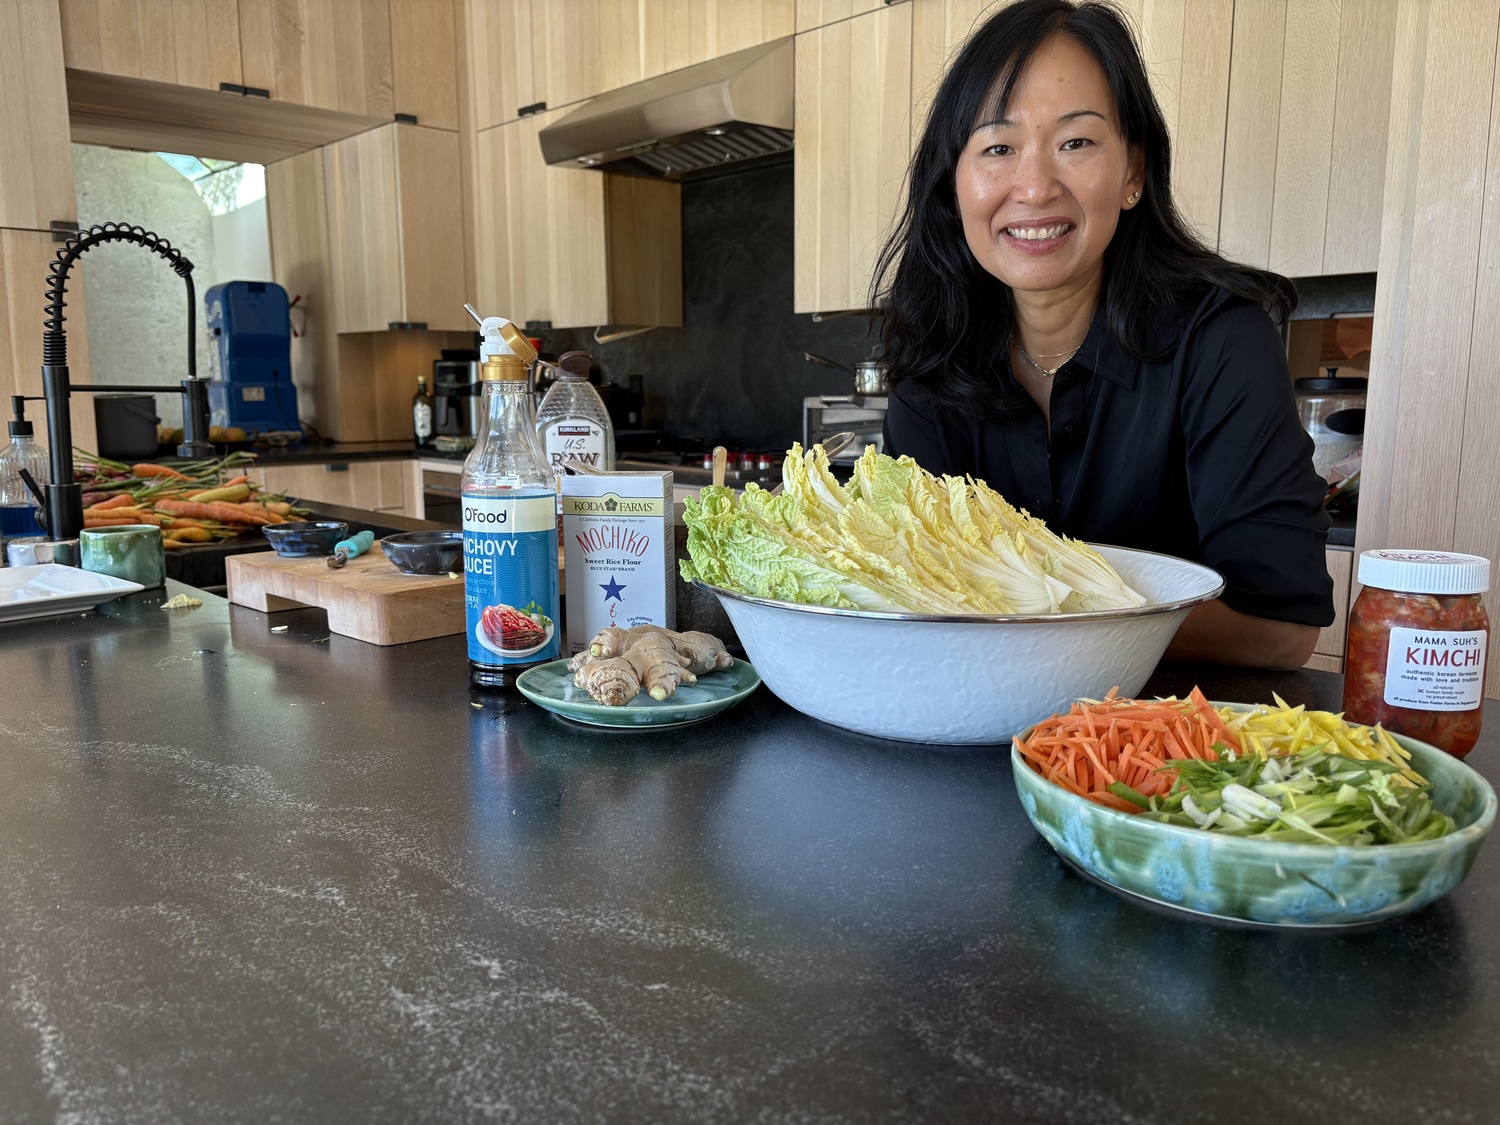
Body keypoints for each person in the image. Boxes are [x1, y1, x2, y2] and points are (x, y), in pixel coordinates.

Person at [875, 0, 1333, 670]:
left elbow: (1279, 628)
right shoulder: (932, 364)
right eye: (998, 148)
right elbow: (907, 597)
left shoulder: (1220, 341)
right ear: (953, 184)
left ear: (1133, 174)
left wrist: (1027, 602)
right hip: (970, 726)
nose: (1033, 187)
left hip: (1173, 744)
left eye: (1076, 143)